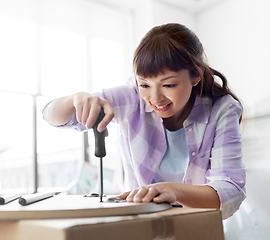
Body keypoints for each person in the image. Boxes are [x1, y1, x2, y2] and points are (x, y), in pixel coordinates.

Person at [42, 23, 246, 219]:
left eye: (169, 85)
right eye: (144, 84)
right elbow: (50, 116)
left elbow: (231, 190)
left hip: (195, 225)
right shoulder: (132, 97)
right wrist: (75, 99)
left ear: (196, 76)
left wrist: (174, 190)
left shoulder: (222, 110)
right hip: (140, 223)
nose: (155, 98)